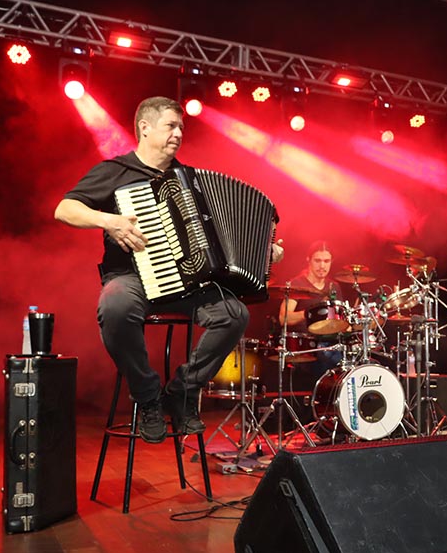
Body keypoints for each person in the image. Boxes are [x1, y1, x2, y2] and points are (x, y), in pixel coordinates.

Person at [55, 96, 283, 443]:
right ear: (144, 128)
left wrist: (265, 250)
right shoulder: (116, 171)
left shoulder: (189, 180)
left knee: (234, 315)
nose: (178, 133)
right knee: (114, 307)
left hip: (184, 282)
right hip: (131, 277)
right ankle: (148, 397)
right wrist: (110, 220)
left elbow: (219, 239)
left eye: (181, 127)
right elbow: (64, 209)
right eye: (170, 126)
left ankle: (183, 392)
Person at [278, 241, 345, 378]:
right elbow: (283, 318)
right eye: (317, 261)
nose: (322, 266)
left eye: (326, 261)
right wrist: (309, 313)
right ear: (308, 260)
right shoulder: (297, 284)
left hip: (329, 342)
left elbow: (340, 320)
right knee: (332, 359)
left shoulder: (334, 287)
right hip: (305, 346)